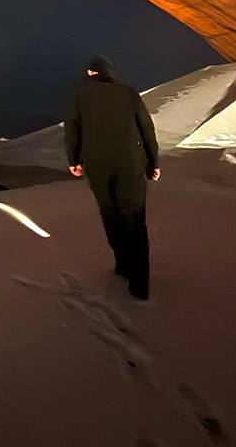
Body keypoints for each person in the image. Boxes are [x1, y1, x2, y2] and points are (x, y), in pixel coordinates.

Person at [64, 55, 160, 300]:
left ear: (91, 73)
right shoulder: (128, 92)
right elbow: (146, 127)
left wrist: (74, 160)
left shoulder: (81, 95)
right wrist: (153, 162)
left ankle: (123, 264)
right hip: (131, 163)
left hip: (98, 165)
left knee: (111, 214)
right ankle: (140, 284)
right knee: (134, 218)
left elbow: (73, 129)